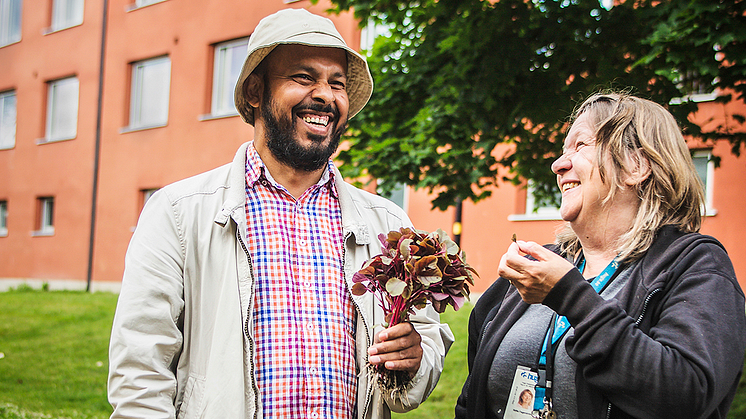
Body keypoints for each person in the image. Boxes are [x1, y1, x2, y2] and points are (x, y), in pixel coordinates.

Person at [108, 8, 453, 419]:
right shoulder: (179, 213)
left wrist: (414, 358)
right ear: (256, 91)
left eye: (337, 83)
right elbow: (140, 371)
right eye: (304, 78)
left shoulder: (386, 224)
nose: (325, 95)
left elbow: (425, 345)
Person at [455, 92, 746, 419]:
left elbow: (686, 396)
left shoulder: (696, 265)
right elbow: (473, 397)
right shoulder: (534, 269)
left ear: (636, 165)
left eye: (580, 146)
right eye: (563, 150)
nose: (558, 164)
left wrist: (571, 298)